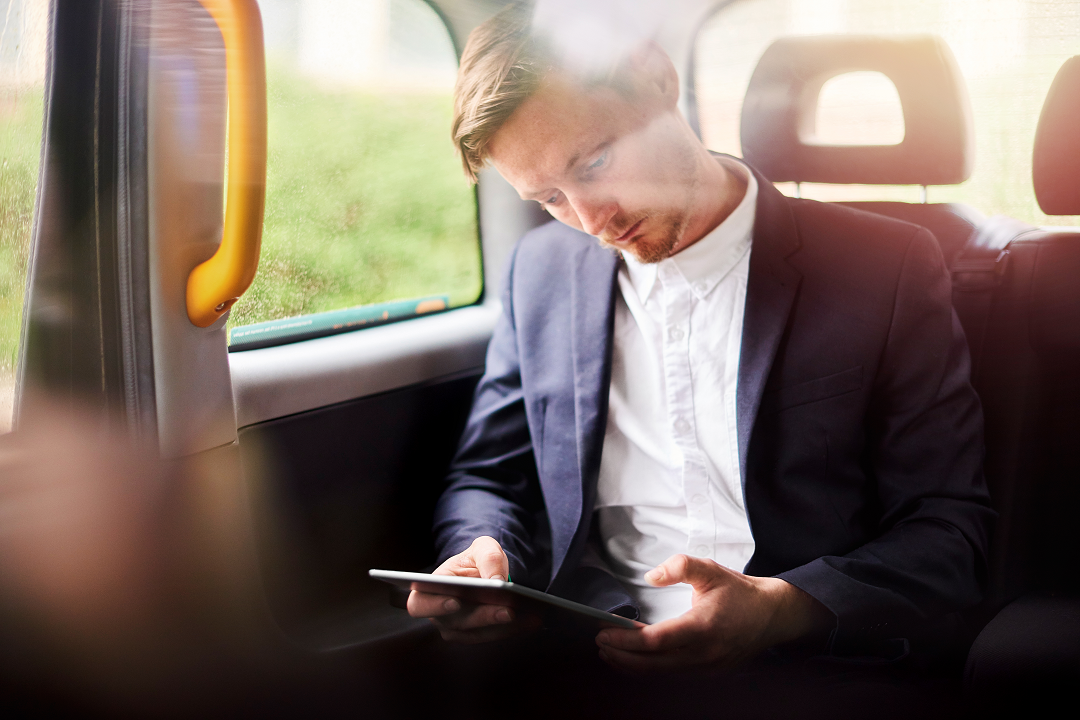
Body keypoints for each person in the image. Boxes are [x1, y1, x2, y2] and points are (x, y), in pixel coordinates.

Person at [407, 2, 994, 672]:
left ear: (656, 77)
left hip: (806, 666)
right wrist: (482, 552)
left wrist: (785, 607)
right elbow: (490, 474)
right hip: (591, 657)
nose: (593, 220)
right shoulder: (540, 271)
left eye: (595, 161)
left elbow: (950, 532)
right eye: (549, 199)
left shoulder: (885, 268)